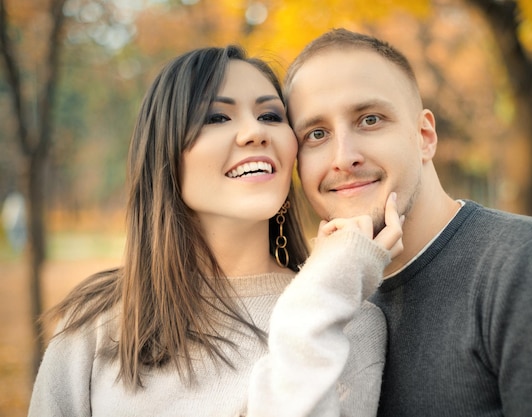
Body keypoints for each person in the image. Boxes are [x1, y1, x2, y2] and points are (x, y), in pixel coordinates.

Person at [28, 45, 403, 417]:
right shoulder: (95, 320)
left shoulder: (346, 317)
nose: (255, 131)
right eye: (218, 118)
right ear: (166, 154)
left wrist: (322, 293)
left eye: (271, 115)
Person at [284, 28, 532, 417]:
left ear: (425, 136)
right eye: (316, 134)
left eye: (370, 119)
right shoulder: (326, 304)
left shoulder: (530, 265)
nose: (343, 157)